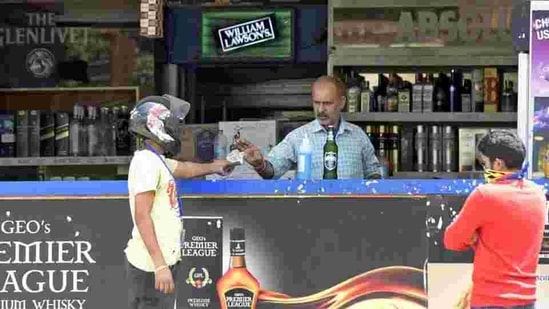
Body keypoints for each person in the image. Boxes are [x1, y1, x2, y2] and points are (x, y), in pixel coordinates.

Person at [124, 95, 233, 309]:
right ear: (157, 124)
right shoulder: (146, 162)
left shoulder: (156, 160)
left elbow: (185, 169)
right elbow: (142, 216)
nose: (178, 128)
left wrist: (216, 166)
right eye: (173, 122)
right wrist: (159, 266)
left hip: (160, 264)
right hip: (149, 267)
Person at [444, 130, 547, 309]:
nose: (485, 170)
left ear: (498, 163)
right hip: (528, 301)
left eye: (485, 163)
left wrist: (475, 236)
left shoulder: (485, 195)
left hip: (491, 301)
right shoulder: (538, 194)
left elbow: (452, 241)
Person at [235, 75, 382, 179]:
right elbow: (273, 171)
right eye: (317, 103)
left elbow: (373, 175)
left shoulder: (358, 136)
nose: (320, 109)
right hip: (312, 214)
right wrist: (260, 164)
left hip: (353, 214)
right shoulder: (298, 137)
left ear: (342, 103)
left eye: (327, 103)